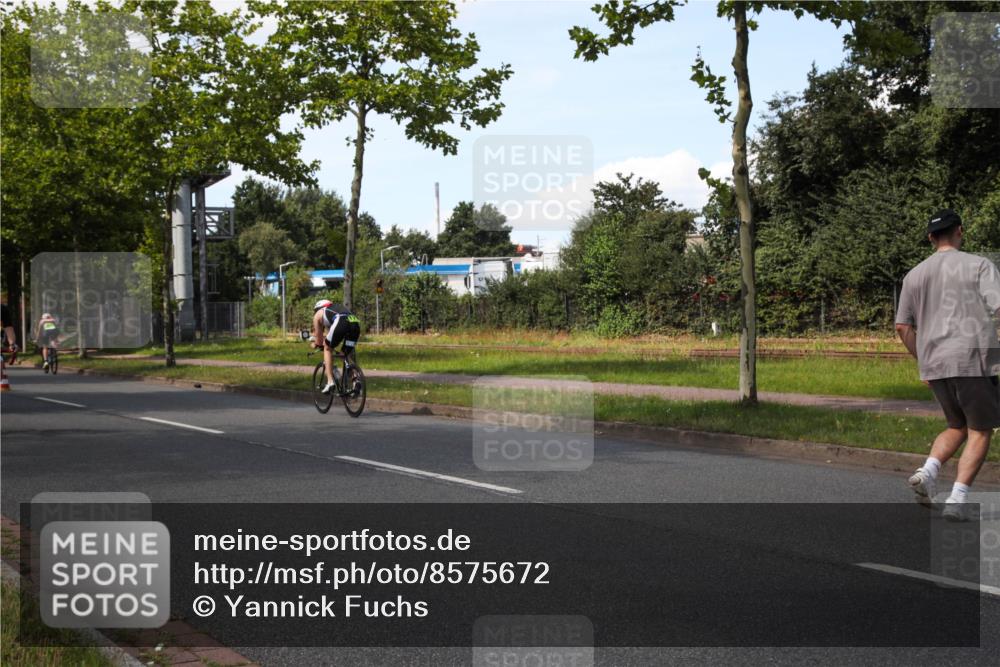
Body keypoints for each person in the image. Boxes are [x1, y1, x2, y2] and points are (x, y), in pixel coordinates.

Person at [896, 209, 1000, 521]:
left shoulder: (913, 275)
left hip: (936, 364)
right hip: (973, 360)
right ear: (960, 231)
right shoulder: (979, 265)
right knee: (982, 430)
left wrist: (924, 361)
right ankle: (957, 500)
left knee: (958, 426)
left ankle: (928, 471)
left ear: (930, 238)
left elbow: (902, 327)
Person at [311, 299, 361, 394]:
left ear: (318, 308)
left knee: (327, 348)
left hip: (341, 322)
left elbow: (319, 340)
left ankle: (330, 382)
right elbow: (333, 334)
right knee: (344, 354)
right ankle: (356, 380)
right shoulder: (336, 308)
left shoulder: (319, 313)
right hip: (355, 324)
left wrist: (316, 344)